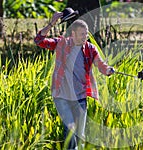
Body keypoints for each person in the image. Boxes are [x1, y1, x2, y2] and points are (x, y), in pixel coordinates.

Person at [34, 12, 115, 149]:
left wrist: (108, 70)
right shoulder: (62, 44)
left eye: (87, 33)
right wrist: (51, 23)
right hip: (63, 96)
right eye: (82, 34)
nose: (86, 37)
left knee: (79, 134)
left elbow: (101, 65)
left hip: (81, 97)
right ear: (73, 34)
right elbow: (39, 41)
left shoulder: (90, 49)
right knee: (70, 129)